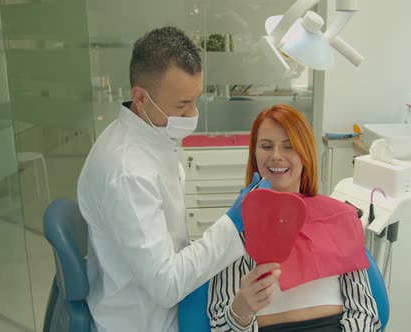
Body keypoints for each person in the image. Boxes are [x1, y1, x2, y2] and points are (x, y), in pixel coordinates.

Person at [77, 26, 275, 332]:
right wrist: (233, 224)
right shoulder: (127, 173)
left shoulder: (148, 133)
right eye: (182, 105)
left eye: (196, 99)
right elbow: (166, 285)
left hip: (162, 297)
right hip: (144, 320)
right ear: (140, 97)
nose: (192, 114)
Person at [207, 105, 381, 332]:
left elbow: (364, 313)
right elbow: (220, 326)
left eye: (289, 147)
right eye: (266, 146)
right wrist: (240, 310)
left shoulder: (340, 218)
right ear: (254, 154)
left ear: (305, 154)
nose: (276, 156)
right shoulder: (235, 227)